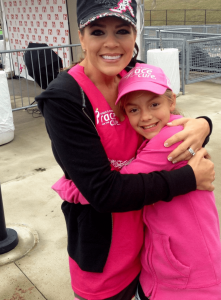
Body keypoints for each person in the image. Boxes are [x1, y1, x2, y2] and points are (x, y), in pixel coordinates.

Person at [36, 1, 215, 299]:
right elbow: (102, 193)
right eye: (97, 31)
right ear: (81, 37)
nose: (111, 43)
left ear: (134, 36)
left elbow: (170, 124)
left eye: (121, 31)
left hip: (150, 245)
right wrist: (188, 179)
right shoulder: (65, 98)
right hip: (104, 252)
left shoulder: (134, 72)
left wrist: (202, 125)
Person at [53, 63, 221, 299]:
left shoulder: (168, 139)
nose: (145, 117)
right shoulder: (170, 131)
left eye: (154, 104)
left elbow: (109, 189)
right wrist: (204, 122)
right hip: (172, 266)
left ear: (171, 101)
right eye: (133, 110)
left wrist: (67, 187)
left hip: (190, 274)